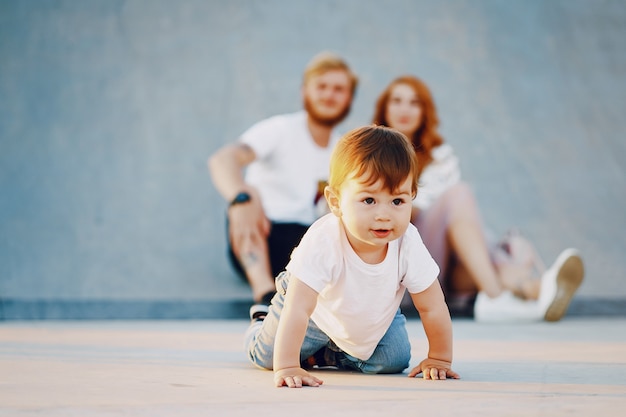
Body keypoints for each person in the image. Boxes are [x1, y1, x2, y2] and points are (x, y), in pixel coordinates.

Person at [244, 125, 460, 388]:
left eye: (397, 201)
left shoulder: (408, 242)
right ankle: (262, 320)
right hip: (314, 312)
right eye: (369, 200)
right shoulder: (324, 239)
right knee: (268, 357)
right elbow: (299, 309)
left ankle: (329, 353)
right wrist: (288, 365)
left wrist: (439, 358)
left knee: (394, 359)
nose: (384, 214)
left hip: (372, 313)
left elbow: (432, 306)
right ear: (335, 203)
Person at [372, 75, 585, 322]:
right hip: (403, 260)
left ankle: (537, 292)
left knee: (477, 251)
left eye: (414, 102)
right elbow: (407, 213)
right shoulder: (372, 154)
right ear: (384, 108)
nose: (404, 109)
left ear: (424, 111)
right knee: (459, 195)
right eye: (397, 101)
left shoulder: (441, 157)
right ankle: (520, 292)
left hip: (447, 271)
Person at [208, 52, 358, 305]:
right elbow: (223, 160)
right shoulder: (279, 130)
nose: (329, 94)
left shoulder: (345, 149)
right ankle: (265, 295)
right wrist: (240, 196)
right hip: (264, 234)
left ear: (349, 98)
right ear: (304, 91)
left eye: (339, 89)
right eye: (321, 86)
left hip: (309, 245)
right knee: (245, 198)